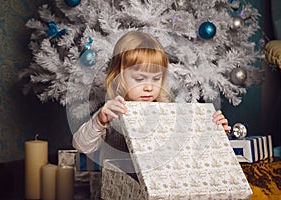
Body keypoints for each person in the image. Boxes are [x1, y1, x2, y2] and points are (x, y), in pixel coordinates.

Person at [72, 31, 231, 164]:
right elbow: (81, 145)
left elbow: (186, 154)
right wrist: (99, 120)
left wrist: (214, 134)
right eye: (140, 79)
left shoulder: (167, 114)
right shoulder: (112, 113)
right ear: (118, 77)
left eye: (156, 79)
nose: (149, 87)